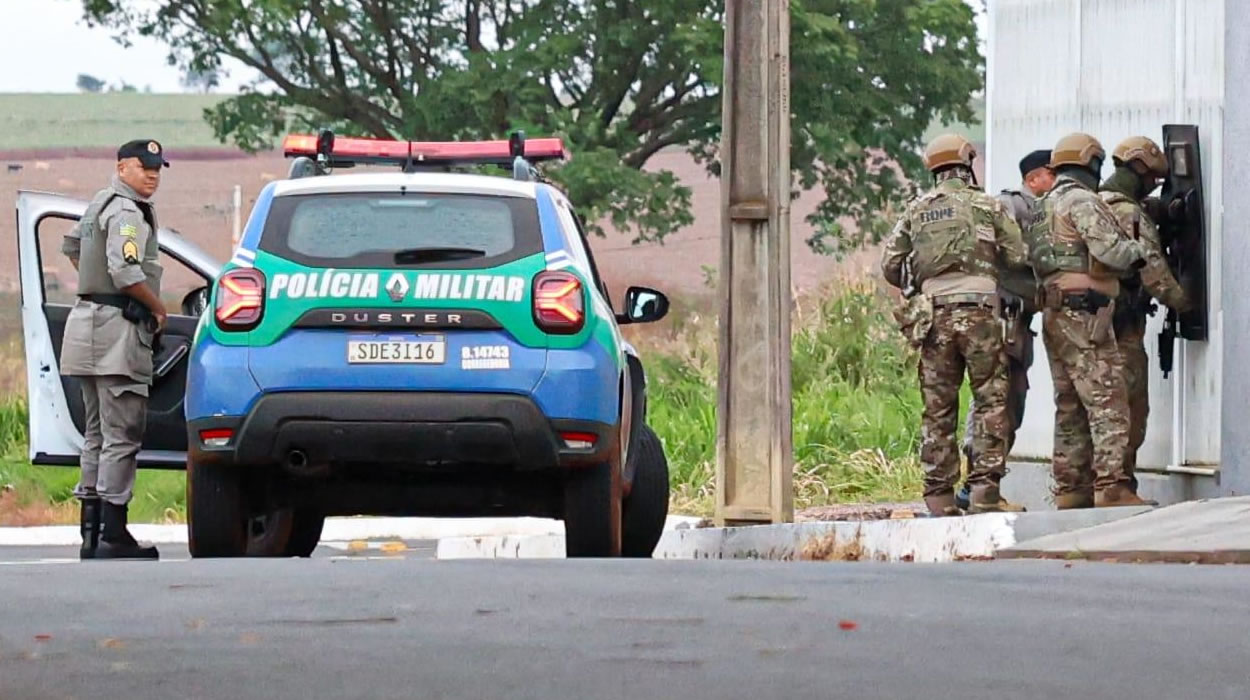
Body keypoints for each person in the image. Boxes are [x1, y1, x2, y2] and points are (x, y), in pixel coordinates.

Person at [882, 133, 1031, 516]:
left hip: (933, 318)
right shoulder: (988, 205)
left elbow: (890, 266)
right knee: (990, 402)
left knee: (938, 409)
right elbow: (1017, 256)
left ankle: (939, 500)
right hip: (981, 314)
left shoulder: (916, 209)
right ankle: (984, 494)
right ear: (967, 163)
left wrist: (919, 284)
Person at [1028, 132, 1153, 509]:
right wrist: (1140, 251)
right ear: (1091, 163)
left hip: (1053, 311)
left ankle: (1071, 489)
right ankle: (1112, 486)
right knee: (1109, 399)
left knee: (1069, 405)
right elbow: (1110, 251)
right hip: (1085, 312)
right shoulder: (1081, 200)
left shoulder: (1042, 204)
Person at [60, 139, 170, 560]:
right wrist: (156, 307)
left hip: (85, 324)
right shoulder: (126, 212)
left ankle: (90, 534)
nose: (153, 175)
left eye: (157, 168)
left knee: (95, 435)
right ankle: (113, 532)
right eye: (144, 167)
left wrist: (96, 287)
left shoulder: (98, 203)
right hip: (117, 333)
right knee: (122, 434)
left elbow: (72, 247)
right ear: (123, 167)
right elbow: (125, 270)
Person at [956, 149, 1055, 509]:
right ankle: (977, 487)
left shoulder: (1047, 210)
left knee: (1011, 399)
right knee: (995, 400)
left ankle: (979, 485)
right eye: (1051, 172)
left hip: (1019, 320)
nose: (1056, 179)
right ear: (1033, 179)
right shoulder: (1010, 206)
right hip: (1002, 318)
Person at [1098, 136, 1190, 498]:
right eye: (1152, 178)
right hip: (1124, 328)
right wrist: (1187, 303)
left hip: (1095, 326)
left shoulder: (1095, 203)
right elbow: (1153, 273)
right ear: (1137, 168)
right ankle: (1118, 488)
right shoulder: (1128, 213)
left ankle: (1087, 487)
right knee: (1129, 409)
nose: (1154, 184)